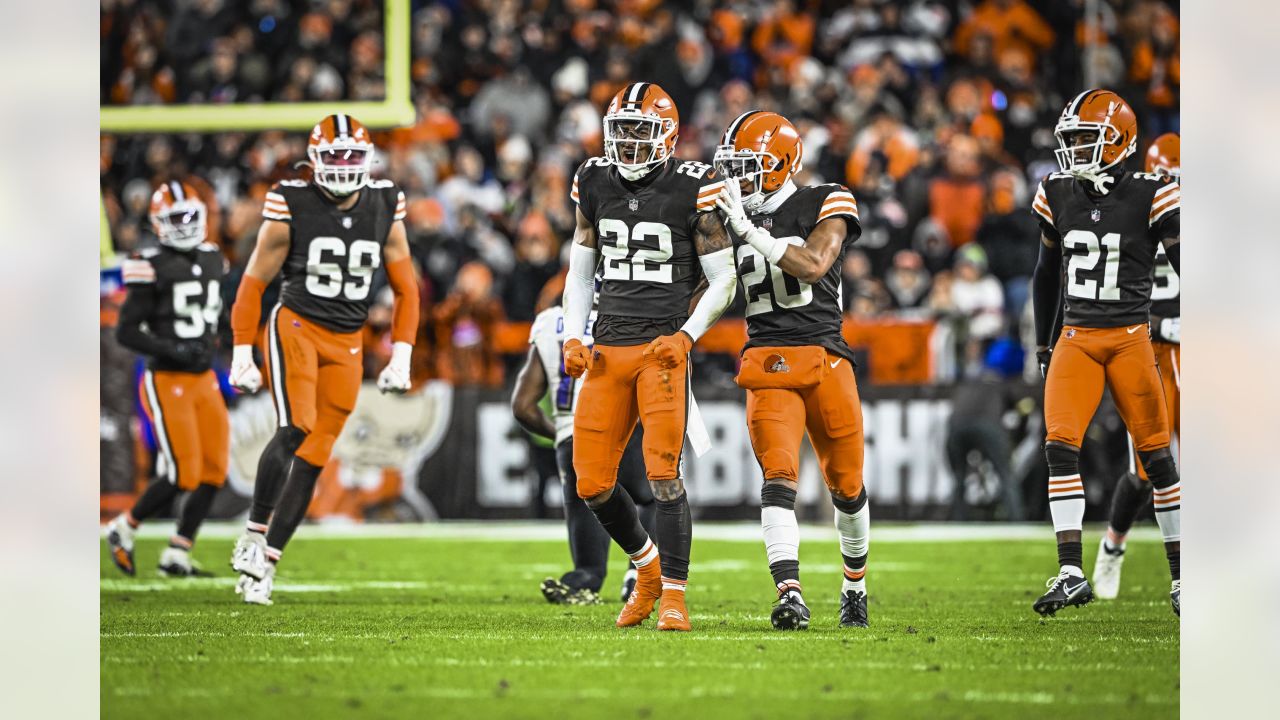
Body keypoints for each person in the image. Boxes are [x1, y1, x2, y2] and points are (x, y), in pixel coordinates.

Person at [561, 82, 737, 632]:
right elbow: (581, 270)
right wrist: (573, 333)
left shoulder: (695, 186)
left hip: (662, 349)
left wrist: (686, 335)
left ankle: (676, 597)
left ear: (669, 135)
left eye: (642, 130)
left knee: (664, 476)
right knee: (590, 481)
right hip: (609, 349)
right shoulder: (593, 180)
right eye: (622, 131)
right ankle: (648, 567)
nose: (631, 142)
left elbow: (725, 278)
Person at [226, 114, 420, 605]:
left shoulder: (383, 203)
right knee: (295, 428)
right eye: (332, 156)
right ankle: (252, 532)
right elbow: (253, 283)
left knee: (314, 457)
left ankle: (266, 562)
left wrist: (402, 353)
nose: (342, 165)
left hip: (349, 340)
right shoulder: (292, 202)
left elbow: (406, 289)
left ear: (367, 159)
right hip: (297, 325)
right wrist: (242, 350)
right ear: (313, 161)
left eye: (351, 155)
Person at [712, 110, 869, 630]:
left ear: (782, 165)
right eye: (732, 167)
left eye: (748, 167)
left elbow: (814, 264)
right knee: (778, 478)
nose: (737, 180)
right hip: (767, 360)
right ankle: (790, 592)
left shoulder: (825, 200)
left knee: (846, 486)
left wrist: (748, 232)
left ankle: (854, 586)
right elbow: (705, 286)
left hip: (825, 358)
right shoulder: (728, 217)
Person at [1029, 90, 1181, 617]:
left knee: (1158, 458)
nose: (1074, 150)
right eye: (1069, 140)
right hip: (1077, 336)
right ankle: (1071, 570)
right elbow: (1046, 275)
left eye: (1085, 140)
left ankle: (1183, 578)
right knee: (1059, 447)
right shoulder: (1057, 192)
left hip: (1132, 338)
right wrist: (1044, 343)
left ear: (1119, 141)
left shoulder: (1152, 193)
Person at [105, 180, 229, 578]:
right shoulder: (149, 263)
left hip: (204, 378)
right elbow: (126, 331)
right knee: (182, 473)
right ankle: (124, 527)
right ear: (159, 223)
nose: (185, 224)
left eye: (191, 216)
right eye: (176, 218)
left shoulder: (213, 258)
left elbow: (215, 315)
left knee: (213, 471)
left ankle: (177, 552)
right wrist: (172, 348)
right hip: (167, 378)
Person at [510, 290, 657, 605]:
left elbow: (522, 406)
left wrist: (562, 436)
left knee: (591, 504)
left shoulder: (549, 322)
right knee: (656, 495)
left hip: (572, 434)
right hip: (624, 427)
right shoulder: (631, 312)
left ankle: (584, 580)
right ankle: (641, 573)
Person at [1093, 132, 1181, 599]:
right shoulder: (1133, 209)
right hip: (1148, 348)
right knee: (1147, 470)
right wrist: (1162, 326)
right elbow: (1115, 287)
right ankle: (1113, 545)